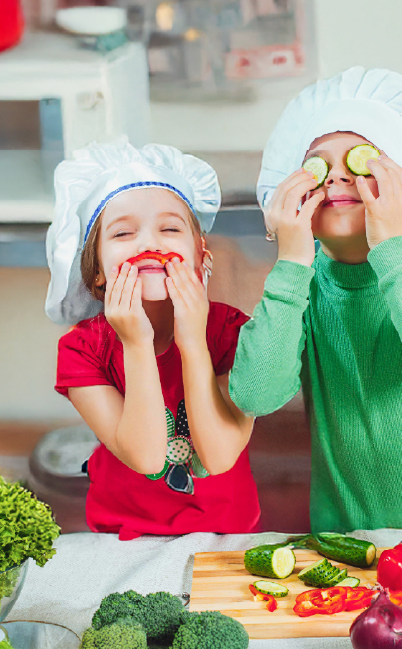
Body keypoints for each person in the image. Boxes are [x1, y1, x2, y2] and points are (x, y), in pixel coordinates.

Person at [229, 67, 402, 535]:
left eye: (361, 163)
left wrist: (394, 244)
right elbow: (256, 394)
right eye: (317, 166)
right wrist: (292, 259)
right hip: (346, 541)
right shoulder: (298, 286)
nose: (337, 174)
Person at [45, 138, 260, 540]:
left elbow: (218, 456)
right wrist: (137, 344)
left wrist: (192, 341)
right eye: (123, 233)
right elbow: (146, 457)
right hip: (122, 536)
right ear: (97, 271)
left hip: (227, 533)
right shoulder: (81, 350)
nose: (149, 244)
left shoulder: (235, 333)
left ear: (202, 255)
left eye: (170, 228)